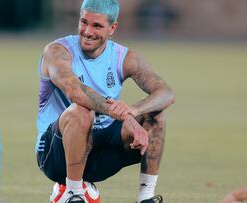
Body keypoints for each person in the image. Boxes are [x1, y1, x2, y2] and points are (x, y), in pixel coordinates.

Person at [35, 0, 175, 202]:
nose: (88, 31)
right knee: (81, 111)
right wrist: (123, 115)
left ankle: (146, 197)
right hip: (55, 156)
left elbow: (166, 93)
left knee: (156, 114)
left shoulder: (125, 57)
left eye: (97, 26)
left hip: (99, 154)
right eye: (84, 22)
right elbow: (75, 91)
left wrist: (133, 112)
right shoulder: (57, 52)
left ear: (112, 28)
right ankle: (73, 194)